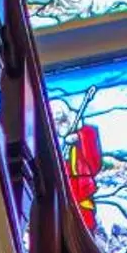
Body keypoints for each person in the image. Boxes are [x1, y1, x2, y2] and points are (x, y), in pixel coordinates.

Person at [52, 95, 102, 229]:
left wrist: (78, 138)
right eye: (54, 123)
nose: (57, 126)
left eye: (59, 121)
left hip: (80, 190)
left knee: (85, 222)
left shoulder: (85, 132)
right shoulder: (55, 141)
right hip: (65, 194)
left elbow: (94, 162)